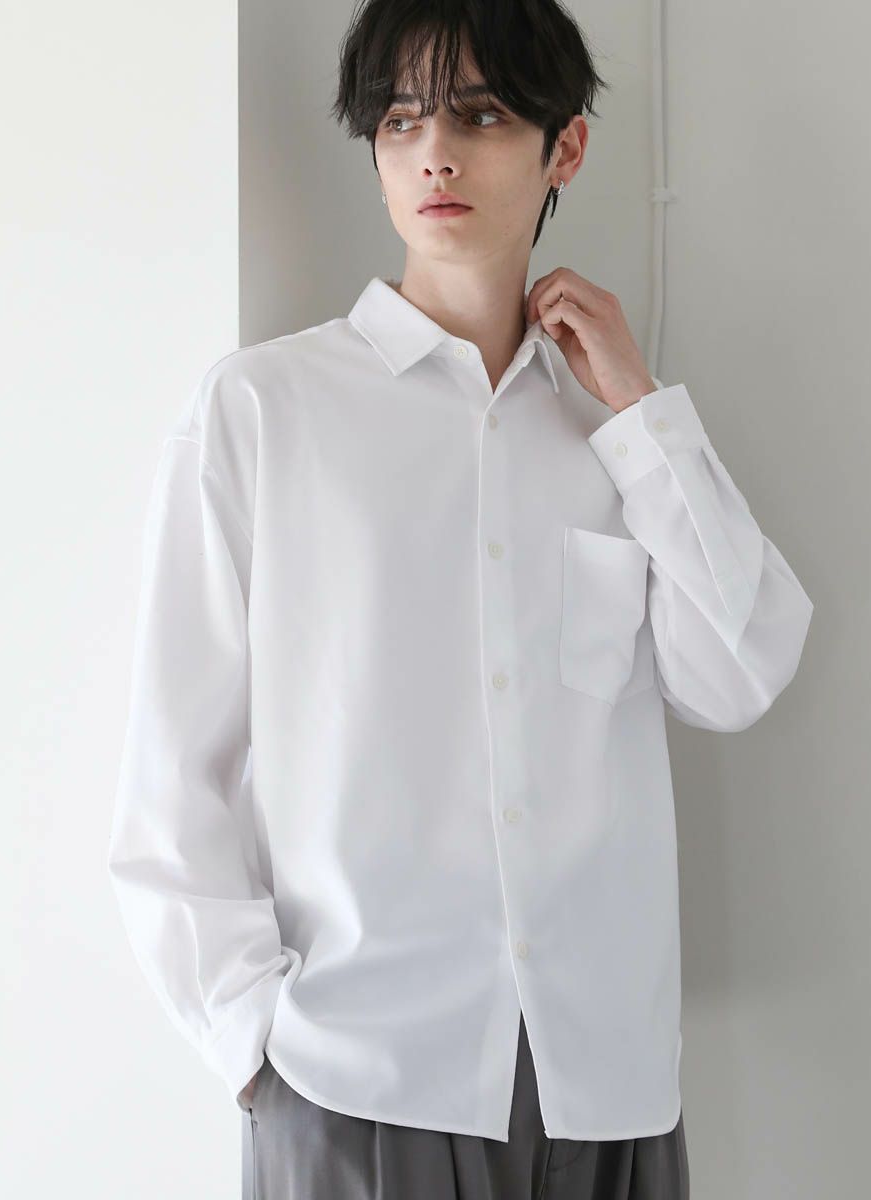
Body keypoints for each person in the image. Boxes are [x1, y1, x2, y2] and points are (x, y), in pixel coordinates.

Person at [107, 1, 814, 1197]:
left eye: (479, 115)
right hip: (358, 1080)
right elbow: (172, 780)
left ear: (564, 147)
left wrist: (645, 415)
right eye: (400, 120)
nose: (434, 152)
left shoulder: (615, 437)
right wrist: (255, 1047)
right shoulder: (264, 411)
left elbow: (738, 672)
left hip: (606, 1086)